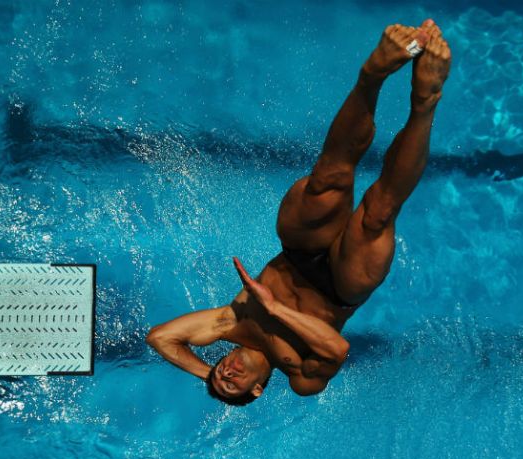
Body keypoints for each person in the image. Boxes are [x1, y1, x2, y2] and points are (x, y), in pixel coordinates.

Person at [146, 19, 452, 405]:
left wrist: (205, 375)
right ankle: (426, 100)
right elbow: (337, 349)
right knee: (379, 211)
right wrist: (273, 309)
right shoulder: (298, 376)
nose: (226, 374)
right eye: (230, 385)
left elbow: (160, 338)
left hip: (300, 252)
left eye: (219, 375)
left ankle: (372, 73)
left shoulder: (229, 323)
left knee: (328, 178)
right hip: (340, 286)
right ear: (258, 389)